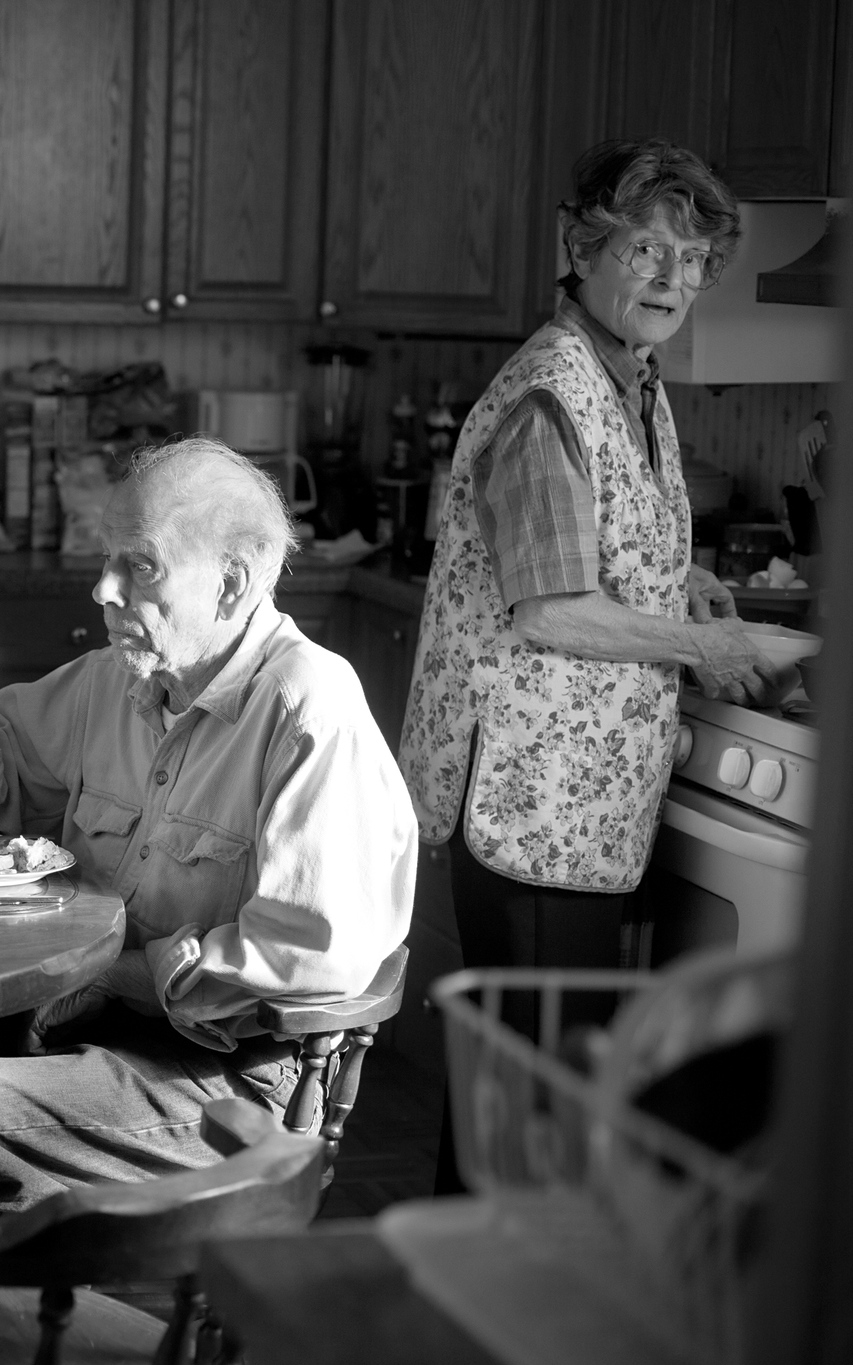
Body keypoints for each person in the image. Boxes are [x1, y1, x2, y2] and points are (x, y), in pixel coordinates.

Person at [0, 438, 414, 1284]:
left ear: (231, 582)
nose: (103, 588)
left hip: (219, 1082)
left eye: (140, 565)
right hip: (76, 1020)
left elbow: (313, 955)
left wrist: (118, 972)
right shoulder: (117, 680)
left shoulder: (311, 707)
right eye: (106, 558)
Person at [398, 140, 775, 1114]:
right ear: (581, 247)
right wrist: (707, 646)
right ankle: (474, 1263)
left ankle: (469, 1259)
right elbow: (551, 604)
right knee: (528, 1100)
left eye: (689, 260)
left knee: (522, 1096)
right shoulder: (548, 392)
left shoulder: (629, 376)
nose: (668, 278)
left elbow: (593, 536)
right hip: (530, 799)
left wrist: (673, 578)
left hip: (575, 799)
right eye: (645, 248)